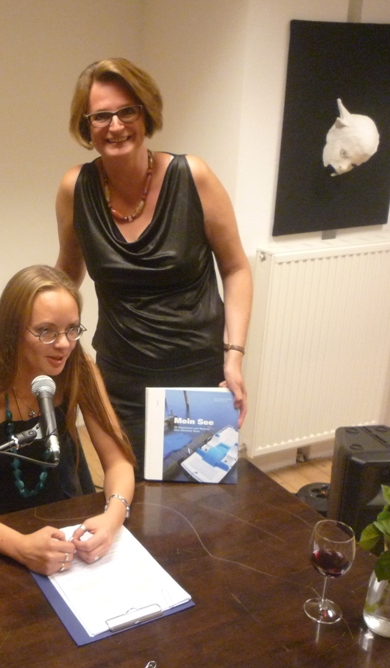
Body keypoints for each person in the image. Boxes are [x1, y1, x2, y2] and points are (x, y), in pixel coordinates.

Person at [54, 58, 252, 479]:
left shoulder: (193, 176)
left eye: (127, 111)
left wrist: (234, 356)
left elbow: (236, 268)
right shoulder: (76, 189)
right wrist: (43, 336)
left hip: (197, 379)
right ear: (86, 126)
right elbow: (66, 276)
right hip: (121, 377)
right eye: (101, 116)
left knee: (201, 492)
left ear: (146, 114)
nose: (115, 126)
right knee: (131, 486)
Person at [0, 266, 136, 575]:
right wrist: (21, 547)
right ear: (12, 330)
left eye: (72, 329)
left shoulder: (79, 368)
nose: (64, 344)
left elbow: (118, 461)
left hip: (59, 524)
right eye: (46, 331)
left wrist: (112, 519)